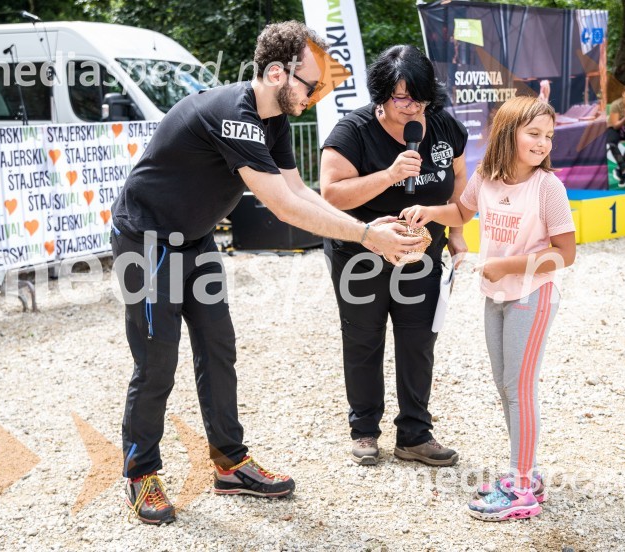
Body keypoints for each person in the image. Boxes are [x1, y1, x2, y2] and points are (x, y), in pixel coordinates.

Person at [110, 21, 422, 525]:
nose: (316, 94)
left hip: (194, 239)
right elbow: (281, 207)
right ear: (276, 72)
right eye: (310, 84)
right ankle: (140, 472)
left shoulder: (272, 117)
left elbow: (301, 194)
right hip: (145, 241)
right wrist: (368, 237)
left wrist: (365, 225)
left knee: (218, 349)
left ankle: (230, 465)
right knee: (157, 362)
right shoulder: (236, 115)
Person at [401, 96, 576, 521]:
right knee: (506, 387)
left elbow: (565, 254)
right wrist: (428, 212)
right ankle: (526, 474)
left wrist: (506, 266)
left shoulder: (548, 187)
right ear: (508, 133)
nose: (542, 143)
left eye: (548, 136)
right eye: (533, 133)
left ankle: (520, 490)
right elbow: (462, 210)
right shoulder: (487, 176)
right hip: (494, 295)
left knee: (519, 389)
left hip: (531, 296)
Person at [319, 45, 468, 467]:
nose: (412, 108)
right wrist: (388, 176)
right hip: (360, 254)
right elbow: (331, 193)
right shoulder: (353, 131)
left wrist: (456, 234)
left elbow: (458, 176)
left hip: (422, 253)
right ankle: (365, 430)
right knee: (364, 338)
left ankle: (415, 435)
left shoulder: (442, 127)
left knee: (419, 340)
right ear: (381, 95)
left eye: (419, 98)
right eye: (402, 98)